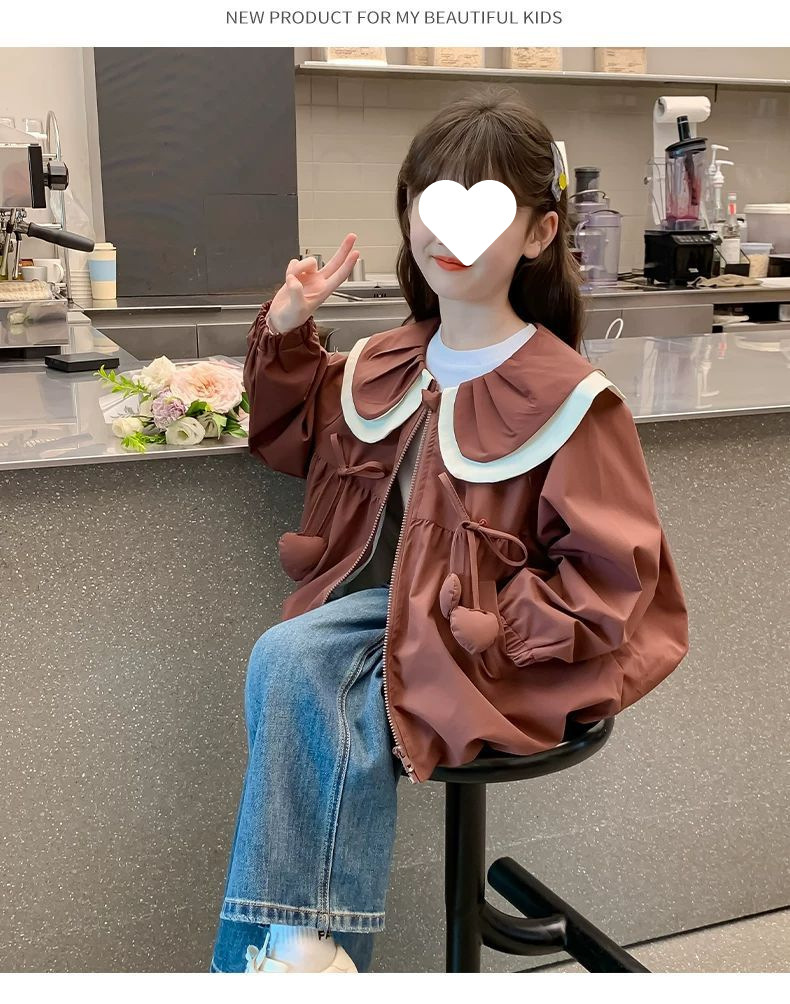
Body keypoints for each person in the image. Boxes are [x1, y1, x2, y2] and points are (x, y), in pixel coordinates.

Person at [210, 88, 689, 974]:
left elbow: (613, 579)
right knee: (294, 661)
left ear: (540, 233)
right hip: (391, 618)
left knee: (293, 659)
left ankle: (296, 954)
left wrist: (494, 628)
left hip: (494, 649)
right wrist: (285, 333)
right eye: (431, 199)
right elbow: (295, 443)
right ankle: (301, 951)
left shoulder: (569, 398)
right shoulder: (389, 359)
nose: (448, 231)